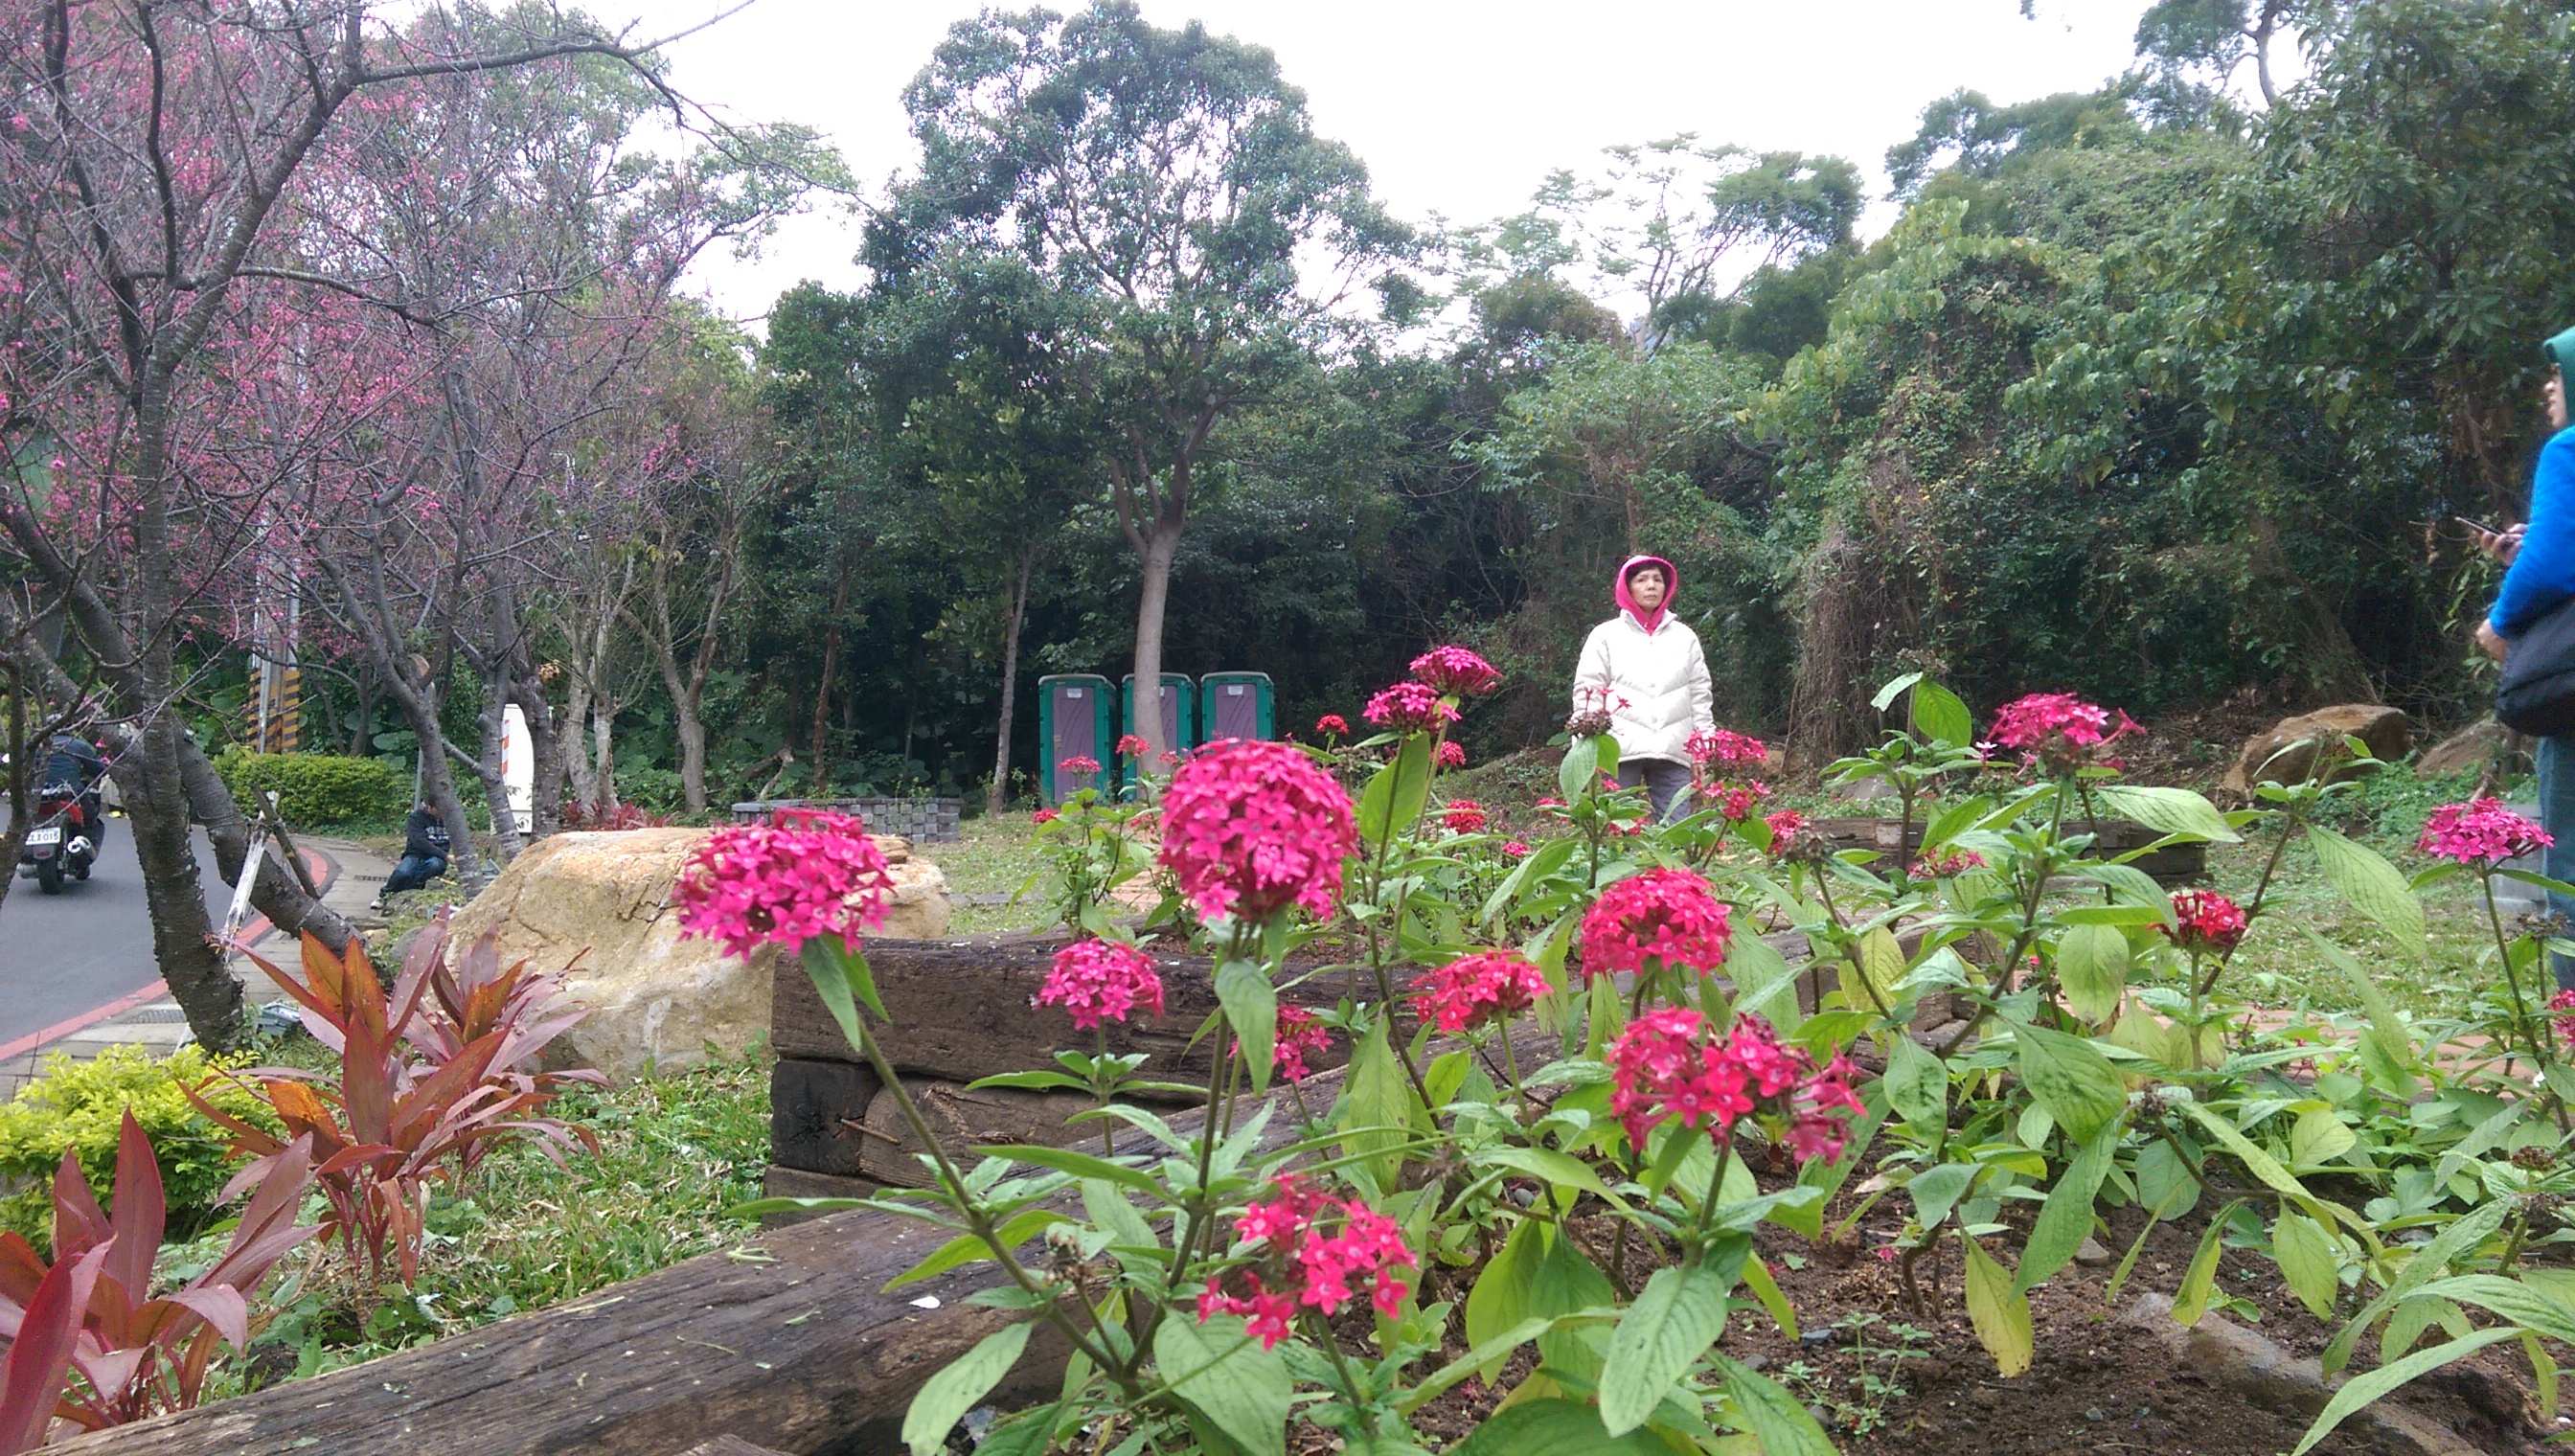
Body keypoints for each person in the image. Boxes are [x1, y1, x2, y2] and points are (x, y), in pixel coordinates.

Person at [2472, 325, 2575, 987]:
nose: (2548, 387)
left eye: (2558, 374)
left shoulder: (2570, 448)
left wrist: (2500, 623)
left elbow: (2553, 565)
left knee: (2572, 862)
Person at [1572, 553, 1717, 822]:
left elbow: (1700, 695)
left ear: (1667, 587)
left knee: (1678, 829)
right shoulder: (1605, 636)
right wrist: (1586, 750)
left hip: (1673, 749)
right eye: (1642, 579)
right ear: (1627, 588)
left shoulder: (1685, 638)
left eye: (1658, 580)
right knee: (1614, 829)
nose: (1651, 585)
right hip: (1619, 750)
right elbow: (1587, 692)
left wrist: (1702, 751)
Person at [374, 801, 452, 909]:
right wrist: (446, 856)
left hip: (438, 857)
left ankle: (411, 889)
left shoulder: (450, 819)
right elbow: (420, 842)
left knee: (434, 865)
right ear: (429, 807)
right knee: (403, 872)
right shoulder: (415, 817)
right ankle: (385, 895)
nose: (441, 812)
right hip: (415, 853)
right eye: (438, 809)